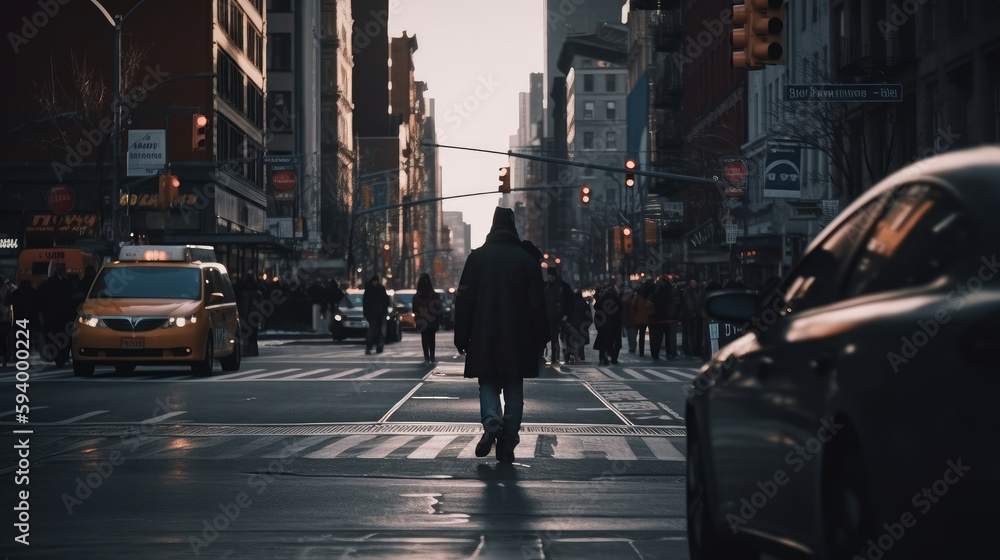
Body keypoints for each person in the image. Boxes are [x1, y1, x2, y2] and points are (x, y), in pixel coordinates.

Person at [454, 207, 549, 464]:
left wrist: (461, 337)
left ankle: (491, 422)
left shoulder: (477, 259)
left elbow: (464, 301)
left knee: (488, 381)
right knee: (514, 388)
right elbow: (537, 304)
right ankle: (508, 441)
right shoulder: (526, 260)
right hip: (519, 337)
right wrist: (542, 338)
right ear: (513, 227)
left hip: (483, 334)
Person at [543, 266, 573, 365]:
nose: (550, 278)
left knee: (559, 337)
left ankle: (558, 356)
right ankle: (556, 356)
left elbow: (569, 302)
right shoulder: (562, 286)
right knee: (555, 337)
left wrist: (566, 314)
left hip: (558, 315)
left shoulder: (548, 287)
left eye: (552, 276)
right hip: (554, 315)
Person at [412, 272, 442, 363]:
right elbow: (439, 308)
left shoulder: (416, 297)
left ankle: (426, 357)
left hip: (422, 321)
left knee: (424, 339)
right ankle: (432, 356)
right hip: (432, 320)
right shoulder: (434, 295)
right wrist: (439, 319)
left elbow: (414, 310)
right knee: (432, 339)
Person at [648, 274, 677, 361]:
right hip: (667, 317)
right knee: (668, 336)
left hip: (657, 317)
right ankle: (669, 352)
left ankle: (655, 353)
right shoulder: (670, 290)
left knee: (657, 337)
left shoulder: (655, 292)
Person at [593, 283, 623, 365]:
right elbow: (621, 310)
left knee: (603, 340)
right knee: (616, 341)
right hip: (615, 323)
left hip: (604, 323)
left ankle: (602, 357)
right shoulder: (617, 299)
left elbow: (596, 307)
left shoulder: (602, 299)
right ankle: (614, 358)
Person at [363, 274, 390, 354]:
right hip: (373, 314)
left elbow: (386, 301)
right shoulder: (372, 289)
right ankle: (371, 345)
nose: (375, 283)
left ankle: (378, 346)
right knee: (373, 330)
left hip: (379, 313)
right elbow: (366, 303)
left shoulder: (379, 289)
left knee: (378, 331)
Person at [564, 288, 592, 363]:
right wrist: (586, 326)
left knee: (570, 343)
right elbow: (589, 317)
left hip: (571, 327)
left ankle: (570, 356)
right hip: (581, 327)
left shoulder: (570, 304)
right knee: (581, 345)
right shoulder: (584, 304)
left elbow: (566, 315)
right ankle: (581, 357)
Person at [630, 279, 655, 357]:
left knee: (641, 335)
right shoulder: (652, 294)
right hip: (650, 317)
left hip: (640, 317)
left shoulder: (639, 295)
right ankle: (654, 351)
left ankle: (641, 352)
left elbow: (633, 305)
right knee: (653, 335)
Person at [620, 282, 638, 354]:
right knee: (632, 334)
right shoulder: (633, 299)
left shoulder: (623, 300)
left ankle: (632, 347)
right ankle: (633, 347)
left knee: (631, 335)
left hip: (628, 319)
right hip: (632, 319)